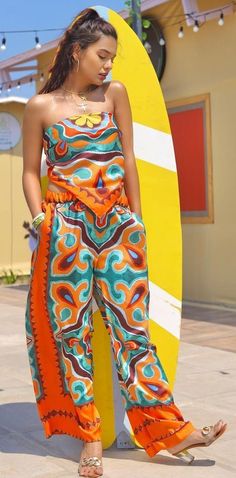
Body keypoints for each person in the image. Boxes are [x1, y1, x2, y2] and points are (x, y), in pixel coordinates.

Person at [22, 7, 227, 477]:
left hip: (117, 228)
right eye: (102, 56)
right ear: (77, 52)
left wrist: (135, 220)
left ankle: (168, 431)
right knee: (70, 336)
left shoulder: (114, 95)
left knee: (133, 332)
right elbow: (30, 172)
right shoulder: (40, 107)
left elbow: (129, 160)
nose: (108, 65)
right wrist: (41, 222)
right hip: (65, 230)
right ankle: (90, 440)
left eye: (112, 57)